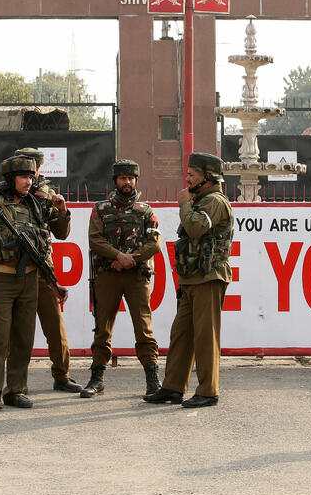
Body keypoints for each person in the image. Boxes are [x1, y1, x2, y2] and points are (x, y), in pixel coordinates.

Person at [0, 153, 62, 410]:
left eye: (31, 176)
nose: (29, 181)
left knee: (24, 338)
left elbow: (46, 241)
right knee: (0, 338)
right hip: (2, 281)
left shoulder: (34, 205)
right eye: (23, 176)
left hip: (30, 280)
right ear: (11, 178)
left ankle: (15, 390)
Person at [144, 153, 233, 408]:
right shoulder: (201, 200)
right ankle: (172, 387)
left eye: (192, 175)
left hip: (208, 277)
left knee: (206, 336)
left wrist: (184, 204)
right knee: (181, 334)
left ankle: (208, 390)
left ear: (207, 178)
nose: (187, 178)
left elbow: (195, 228)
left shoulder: (214, 201)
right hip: (192, 278)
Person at [81, 159, 162, 398]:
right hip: (108, 274)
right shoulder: (101, 209)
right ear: (115, 181)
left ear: (136, 180)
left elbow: (154, 243)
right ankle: (97, 378)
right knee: (102, 328)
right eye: (122, 178)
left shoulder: (146, 210)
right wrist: (117, 257)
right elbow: (95, 240)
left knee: (144, 329)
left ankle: (152, 378)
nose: (127, 182)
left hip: (136, 276)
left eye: (130, 178)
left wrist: (130, 260)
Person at [13, 147, 80, 393]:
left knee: (54, 326)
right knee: (18, 330)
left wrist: (62, 211)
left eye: (34, 169)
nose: (31, 174)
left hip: (42, 269)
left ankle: (62, 375)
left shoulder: (47, 195)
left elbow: (61, 232)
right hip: (14, 270)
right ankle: (16, 382)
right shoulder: (7, 192)